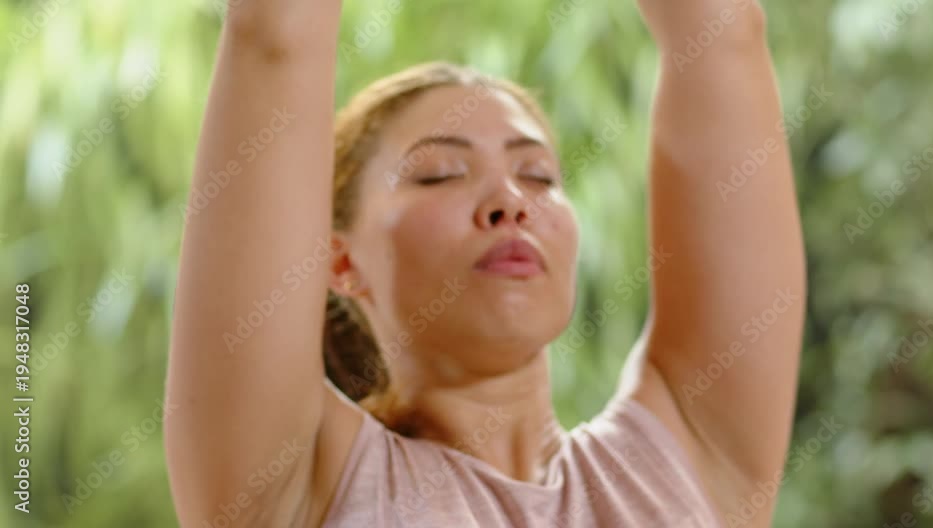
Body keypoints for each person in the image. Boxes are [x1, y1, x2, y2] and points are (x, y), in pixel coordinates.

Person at [165, 1, 806, 527]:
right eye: (440, 174)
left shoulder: (683, 458)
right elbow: (275, 32)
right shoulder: (295, 488)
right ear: (337, 261)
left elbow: (722, 32)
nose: (510, 201)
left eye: (539, 175)